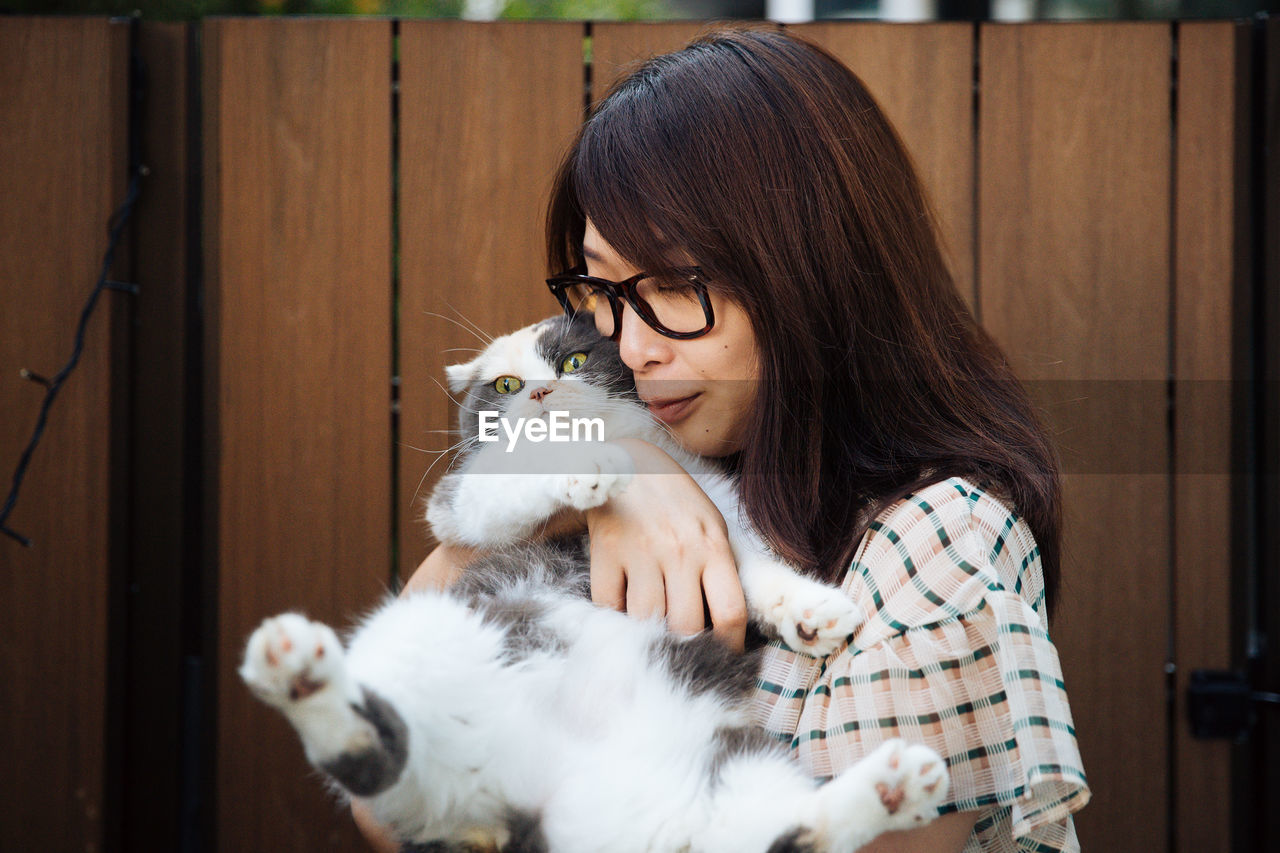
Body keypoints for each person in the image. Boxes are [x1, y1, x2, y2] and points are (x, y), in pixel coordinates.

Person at [356, 26, 1089, 853]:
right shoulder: (648, 467)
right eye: (602, 288)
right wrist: (610, 475)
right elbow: (384, 792)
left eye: (677, 284)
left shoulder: (936, 539)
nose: (633, 347)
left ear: (816, 273)